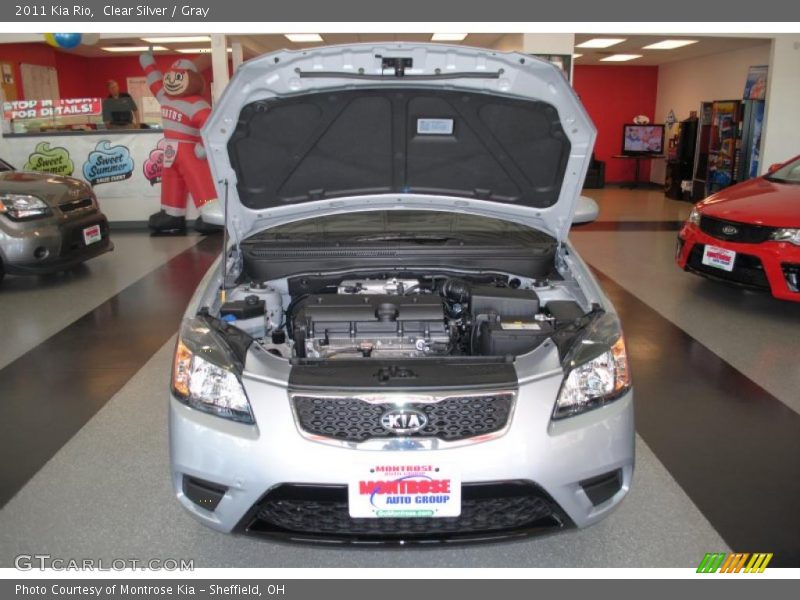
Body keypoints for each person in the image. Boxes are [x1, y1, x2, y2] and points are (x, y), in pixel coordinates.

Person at [139, 50, 222, 234]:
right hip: (170, 148)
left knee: (199, 178)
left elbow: (211, 125)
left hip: (189, 149)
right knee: (171, 179)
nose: (171, 81)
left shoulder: (197, 103)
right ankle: (171, 213)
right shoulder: (164, 97)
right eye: (170, 76)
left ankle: (212, 213)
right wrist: (147, 60)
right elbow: (154, 80)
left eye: (178, 77)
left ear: (190, 78)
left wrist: (203, 146)